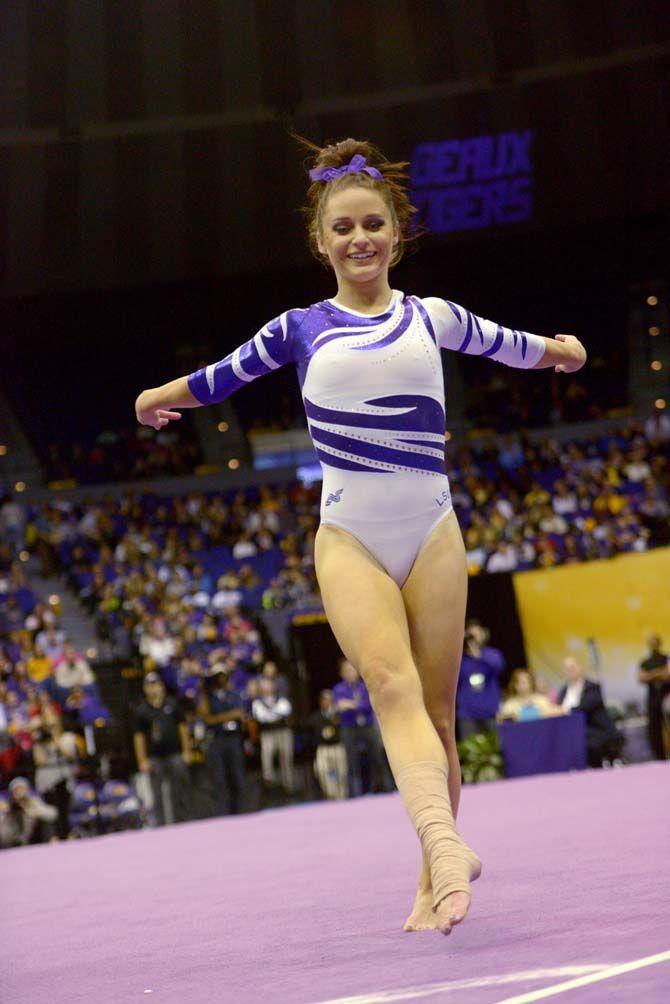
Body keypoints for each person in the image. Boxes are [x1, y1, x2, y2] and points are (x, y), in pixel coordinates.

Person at [135, 136, 586, 935]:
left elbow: (509, 344)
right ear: (321, 241)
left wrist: (562, 351)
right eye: (343, 228)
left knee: (440, 718)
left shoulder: (431, 316)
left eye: (373, 223)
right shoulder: (298, 328)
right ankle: (447, 847)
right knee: (390, 688)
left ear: (397, 234)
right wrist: (156, 395)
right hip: (350, 536)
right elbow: (223, 376)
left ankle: (430, 879)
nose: (359, 239)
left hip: (434, 531)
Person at [133, 673, 193, 826]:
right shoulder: (141, 711)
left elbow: (182, 729)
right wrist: (142, 760)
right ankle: (159, 827)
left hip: (175, 753)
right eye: (150, 685)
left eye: (156, 684)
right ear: (145, 688)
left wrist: (187, 751)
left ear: (162, 686)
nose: (154, 688)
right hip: (154, 757)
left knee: (180, 790)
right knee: (156, 795)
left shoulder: (172, 705)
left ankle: (183, 823)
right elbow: (138, 737)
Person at [332, 658, 390, 798]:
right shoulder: (339, 689)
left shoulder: (365, 687)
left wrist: (351, 705)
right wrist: (358, 704)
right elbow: (340, 706)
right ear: (342, 673)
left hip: (368, 725)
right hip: (349, 727)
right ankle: (354, 794)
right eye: (347, 670)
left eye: (352, 670)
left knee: (377, 757)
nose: (350, 673)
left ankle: (387, 788)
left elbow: (369, 705)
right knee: (351, 761)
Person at [556, 657, 624, 767]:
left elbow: (585, 706)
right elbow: (558, 708)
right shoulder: (564, 691)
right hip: (571, 732)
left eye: (572, 667)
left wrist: (564, 710)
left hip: (595, 730)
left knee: (587, 744)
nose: (570, 671)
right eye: (567, 669)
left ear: (580, 667)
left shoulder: (592, 687)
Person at [198, 665, 246, 816]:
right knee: (219, 779)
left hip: (233, 738)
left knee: (236, 777)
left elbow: (241, 715)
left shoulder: (234, 695)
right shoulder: (207, 697)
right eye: (217, 676)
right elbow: (207, 719)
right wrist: (230, 715)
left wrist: (222, 717)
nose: (220, 679)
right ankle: (222, 814)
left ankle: (238, 811)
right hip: (217, 740)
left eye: (223, 675)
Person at [456, 620, 505, 740]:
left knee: (496, 752)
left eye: (477, 634)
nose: (474, 638)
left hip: (490, 713)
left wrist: (479, 655)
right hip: (467, 715)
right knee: (472, 753)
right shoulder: (459, 659)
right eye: (471, 635)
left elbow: (499, 667)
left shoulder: (492, 654)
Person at [251, 678, 294, 796]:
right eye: (264, 687)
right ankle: (270, 784)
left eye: (269, 686)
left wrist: (271, 714)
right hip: (267, 733)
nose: (267, 689)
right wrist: (274, 714)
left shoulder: (282, 699)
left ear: (274, 687)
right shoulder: (257, 702)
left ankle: (288, 785)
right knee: (267, 757)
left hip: (283, 731)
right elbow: (261, 717)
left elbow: (285, 711)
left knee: (286, 757)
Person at [310, 689, 348, 799]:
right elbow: (318, 733)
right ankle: (331, 795)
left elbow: (341, 731)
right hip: (323, 749)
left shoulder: (339, 715)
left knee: (341, 773)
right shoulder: (316, 717)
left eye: (330, 699)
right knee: (323, 772)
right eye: (325, 699)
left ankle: (342, 797)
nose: (328, 701)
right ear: (321, 701)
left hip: (337, 747)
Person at [638, 635, 670, 760]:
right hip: (652, 699)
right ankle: (659, 756)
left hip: (666, 697)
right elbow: (641, 678)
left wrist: (651, 674)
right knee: (654, 729)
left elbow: (667, 675)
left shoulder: (666, 658)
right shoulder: (645, 662)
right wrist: (658, 673)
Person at [498, 669, 565, 722]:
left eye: (526, 681)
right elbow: (502, 719)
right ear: (515, 685)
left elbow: (551, 713)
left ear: (531, 682)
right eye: (520, 682)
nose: (523, 684)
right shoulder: (509, 704)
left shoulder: (541, 699)